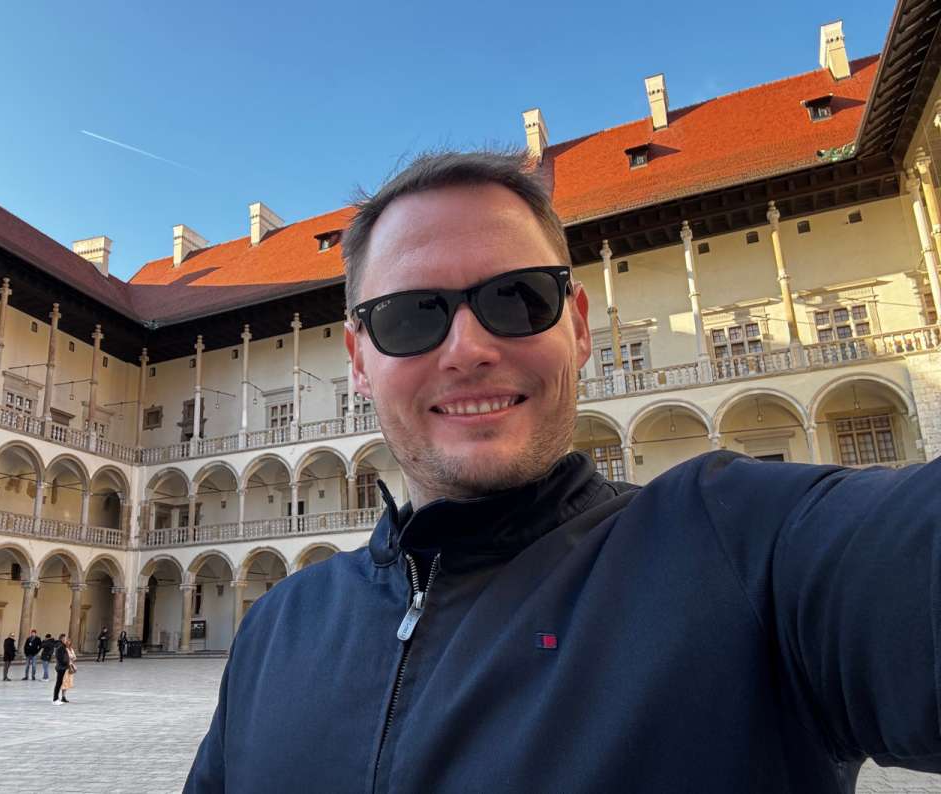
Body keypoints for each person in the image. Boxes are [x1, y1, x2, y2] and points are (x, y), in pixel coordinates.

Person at [184, 151, 941, 793]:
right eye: (413, 315)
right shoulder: (277, 629)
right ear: (357, 361)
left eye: (517, 299)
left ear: (578, 327)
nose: (468, 348)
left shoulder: (741, 550)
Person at [53, 634, 76, 705]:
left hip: (63, 667)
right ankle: (55, 699)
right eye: (65, 640)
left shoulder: (63, 647)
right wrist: (66, 662)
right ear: (62, 640)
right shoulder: (60, 647)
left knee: (59, 683)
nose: (67, 641)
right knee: (58, 683)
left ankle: (57, 698)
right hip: (61, 667)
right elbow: (60, 658)